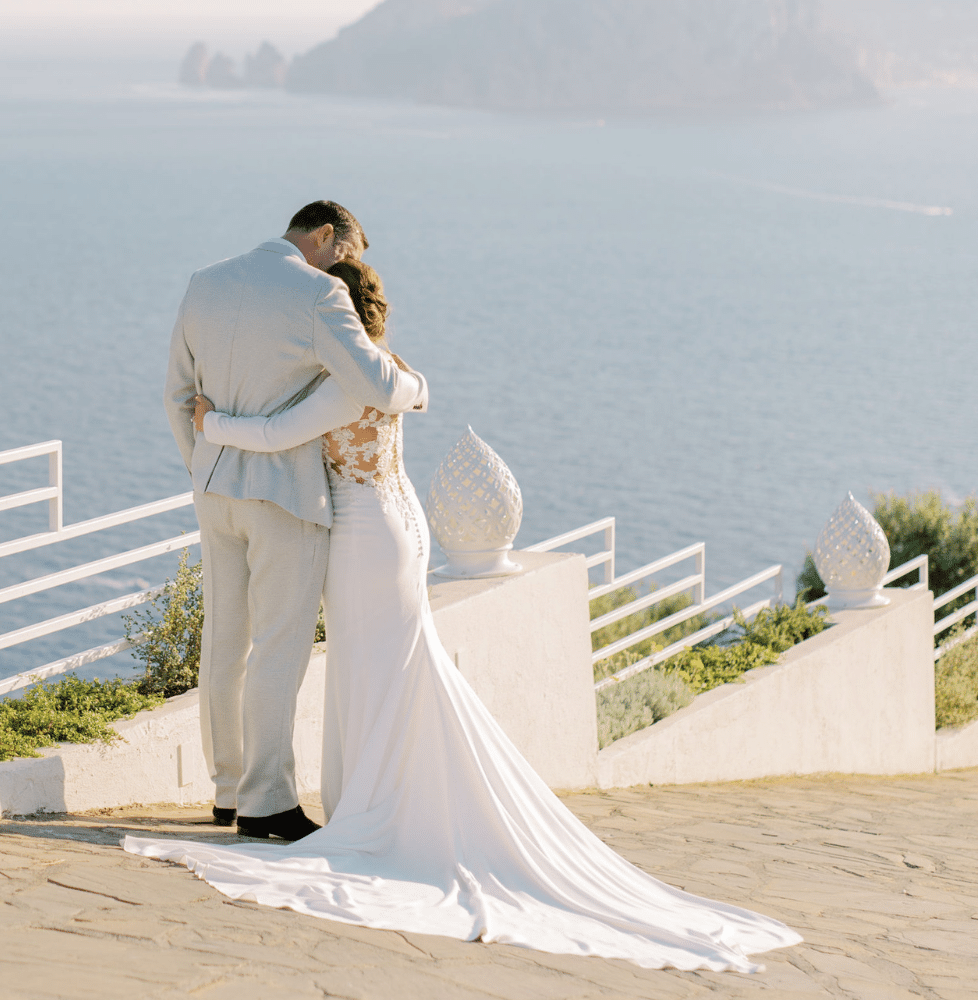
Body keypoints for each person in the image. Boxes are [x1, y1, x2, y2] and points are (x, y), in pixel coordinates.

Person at [127, 258, 803, 973]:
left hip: (365, 537)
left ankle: (372, 807)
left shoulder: (342, 383)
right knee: (389, 664)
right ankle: (370, 796)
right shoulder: (389, 368)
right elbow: (413, 391)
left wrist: (213, 423)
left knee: (370, 665)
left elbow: (273, 434)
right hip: (395, 523)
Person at [162, 201, 428, 842]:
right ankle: (265, 802)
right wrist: (420, 388)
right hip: (284, 499)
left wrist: (206, 467)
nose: (353, 269)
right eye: (351, 254)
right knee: (278, 651)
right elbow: (377, 384)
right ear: (327, 237)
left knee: (224, 644)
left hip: (214, 488)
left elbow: (177, 395)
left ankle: (226, 789)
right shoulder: (320, 296)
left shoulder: (206, 281)